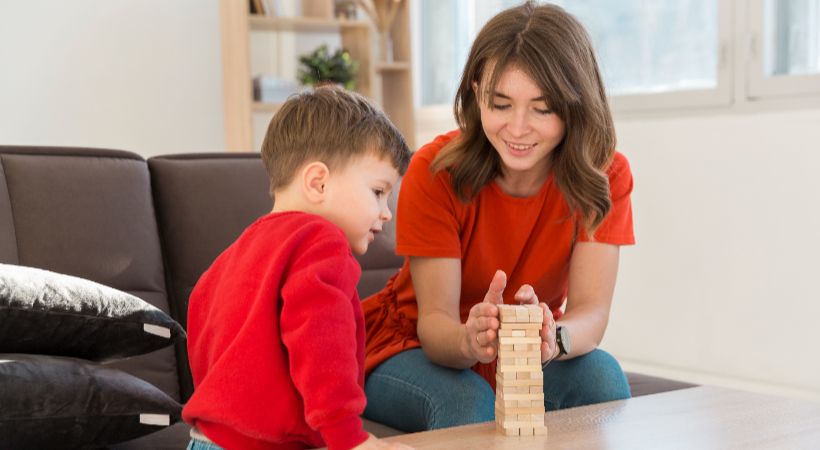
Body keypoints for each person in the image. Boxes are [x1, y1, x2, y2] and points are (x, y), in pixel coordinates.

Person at [361, 1, 635, 432]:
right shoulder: (436, 171)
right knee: (469, 403)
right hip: (415, 346)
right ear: (476, 92)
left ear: (575, 105)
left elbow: (591, 314)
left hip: (525, 350)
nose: (518, 128)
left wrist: (553, 337)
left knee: (601, 376)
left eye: (542, 109)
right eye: (501, 104)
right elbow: (435, 326)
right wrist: (470, 339)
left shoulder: (605, 174)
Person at [182, 87, 414, 450]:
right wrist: (350, 439)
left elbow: (201, 333)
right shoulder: (323, 242)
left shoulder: (233, 255)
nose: (386, 212)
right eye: (378, 192)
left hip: (206, 440)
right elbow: (323, 346)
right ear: (318, 182)